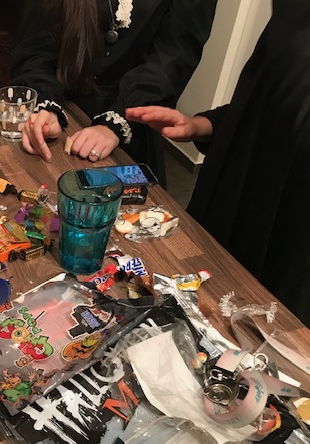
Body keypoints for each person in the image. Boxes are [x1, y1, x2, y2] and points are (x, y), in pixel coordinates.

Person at [126, 0, 310, 322]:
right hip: (232, 208)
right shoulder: (294, 11)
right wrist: (202, 125)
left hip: (291, 249)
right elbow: (265, 105)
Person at [10, 0, 217, 185]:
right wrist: (44, 102)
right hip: (62, 113)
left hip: (133, 123)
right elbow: (36, 44)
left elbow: (174, 55)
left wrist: (117, 122)